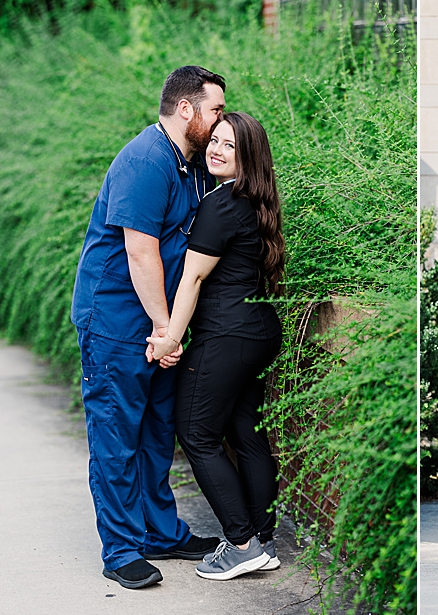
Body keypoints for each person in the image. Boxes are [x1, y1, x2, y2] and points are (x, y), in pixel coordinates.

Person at [70, 66, 227, 589]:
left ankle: (160, 533)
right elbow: (140, 253)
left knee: (158, 432)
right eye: (215, 110)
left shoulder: (189, 164)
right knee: (117, 436)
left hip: (159, 325)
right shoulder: (145, 160)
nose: (219, 119)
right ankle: (119, 549)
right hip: (117, 320)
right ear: (187, 110)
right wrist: (166, 328)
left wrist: (169, 330)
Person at [148, 111, 285, 581]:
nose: (217, 149)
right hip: (258, 332)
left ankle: (241, 543)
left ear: (248, 158)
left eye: (230, 145)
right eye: (217, 141)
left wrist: (169, 337)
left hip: (227, 335)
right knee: (245, 434)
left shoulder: (221, 203)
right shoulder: (253, 200)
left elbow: (193, 278)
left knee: (198, 434)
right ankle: (263, 538)